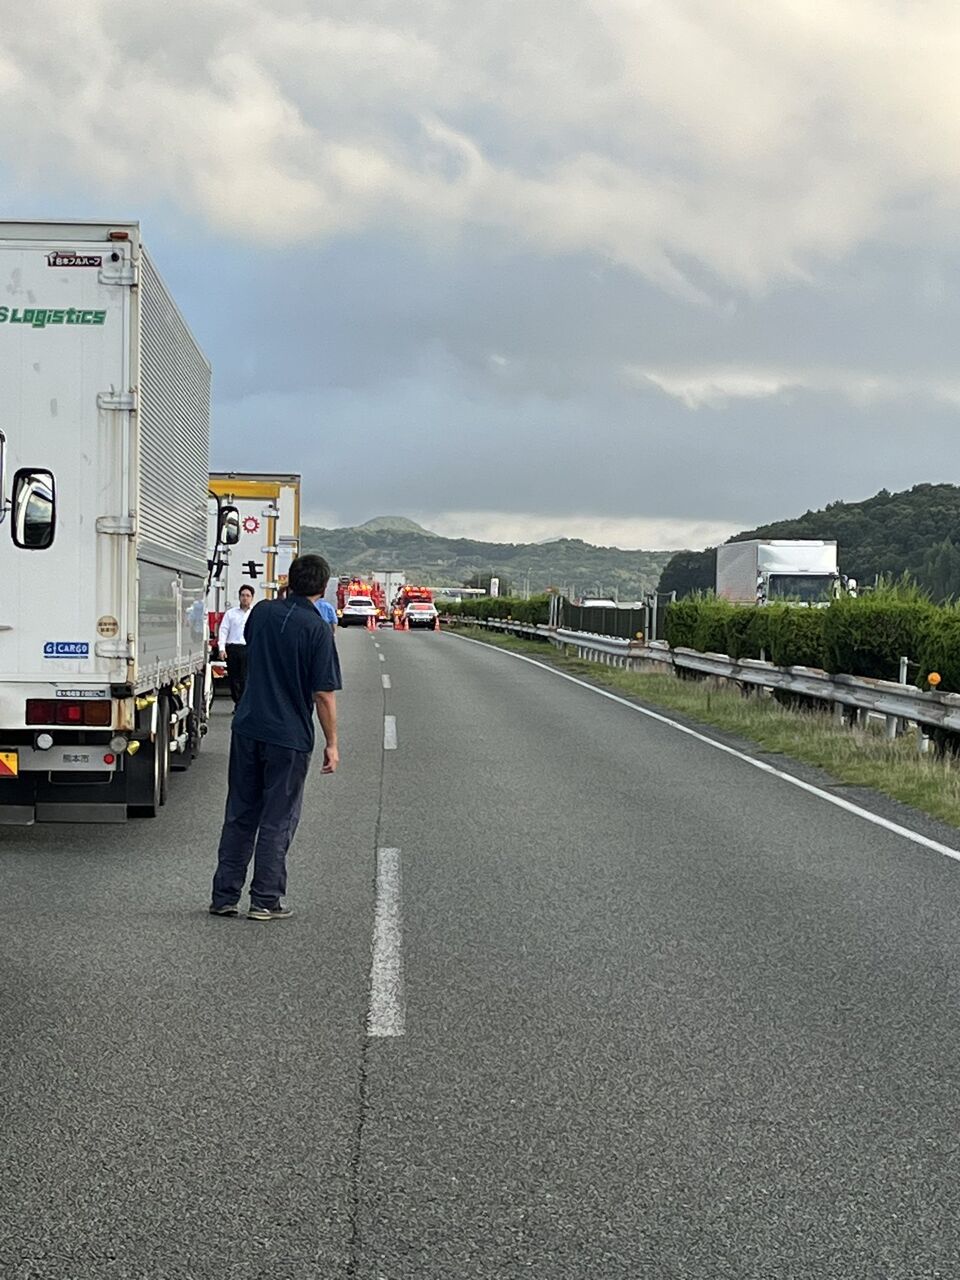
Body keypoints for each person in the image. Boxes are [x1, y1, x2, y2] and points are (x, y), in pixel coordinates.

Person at [209, 554, 341, 922]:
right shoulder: (317, 630)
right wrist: (332, 743)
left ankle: (224, 895)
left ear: (289, 581)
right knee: (278, 817)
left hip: (248, 725)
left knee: (240, 812)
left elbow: (253, 642)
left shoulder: (263, 612)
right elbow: (323, 694)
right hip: (288, 734)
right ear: (324, 587)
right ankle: (265, 899)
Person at [218, 585, 255, 704]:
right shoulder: (230, 613)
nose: (245, 598)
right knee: (233, 679)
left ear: (252, 598)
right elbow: (223, 630)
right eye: (243, 595)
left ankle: (242, 704)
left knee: (245, 678)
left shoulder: (254, 614)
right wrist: (221, 648)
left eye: (248, 596)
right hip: (233, 649)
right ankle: (237, 701)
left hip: (247, 649)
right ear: (239, 597)